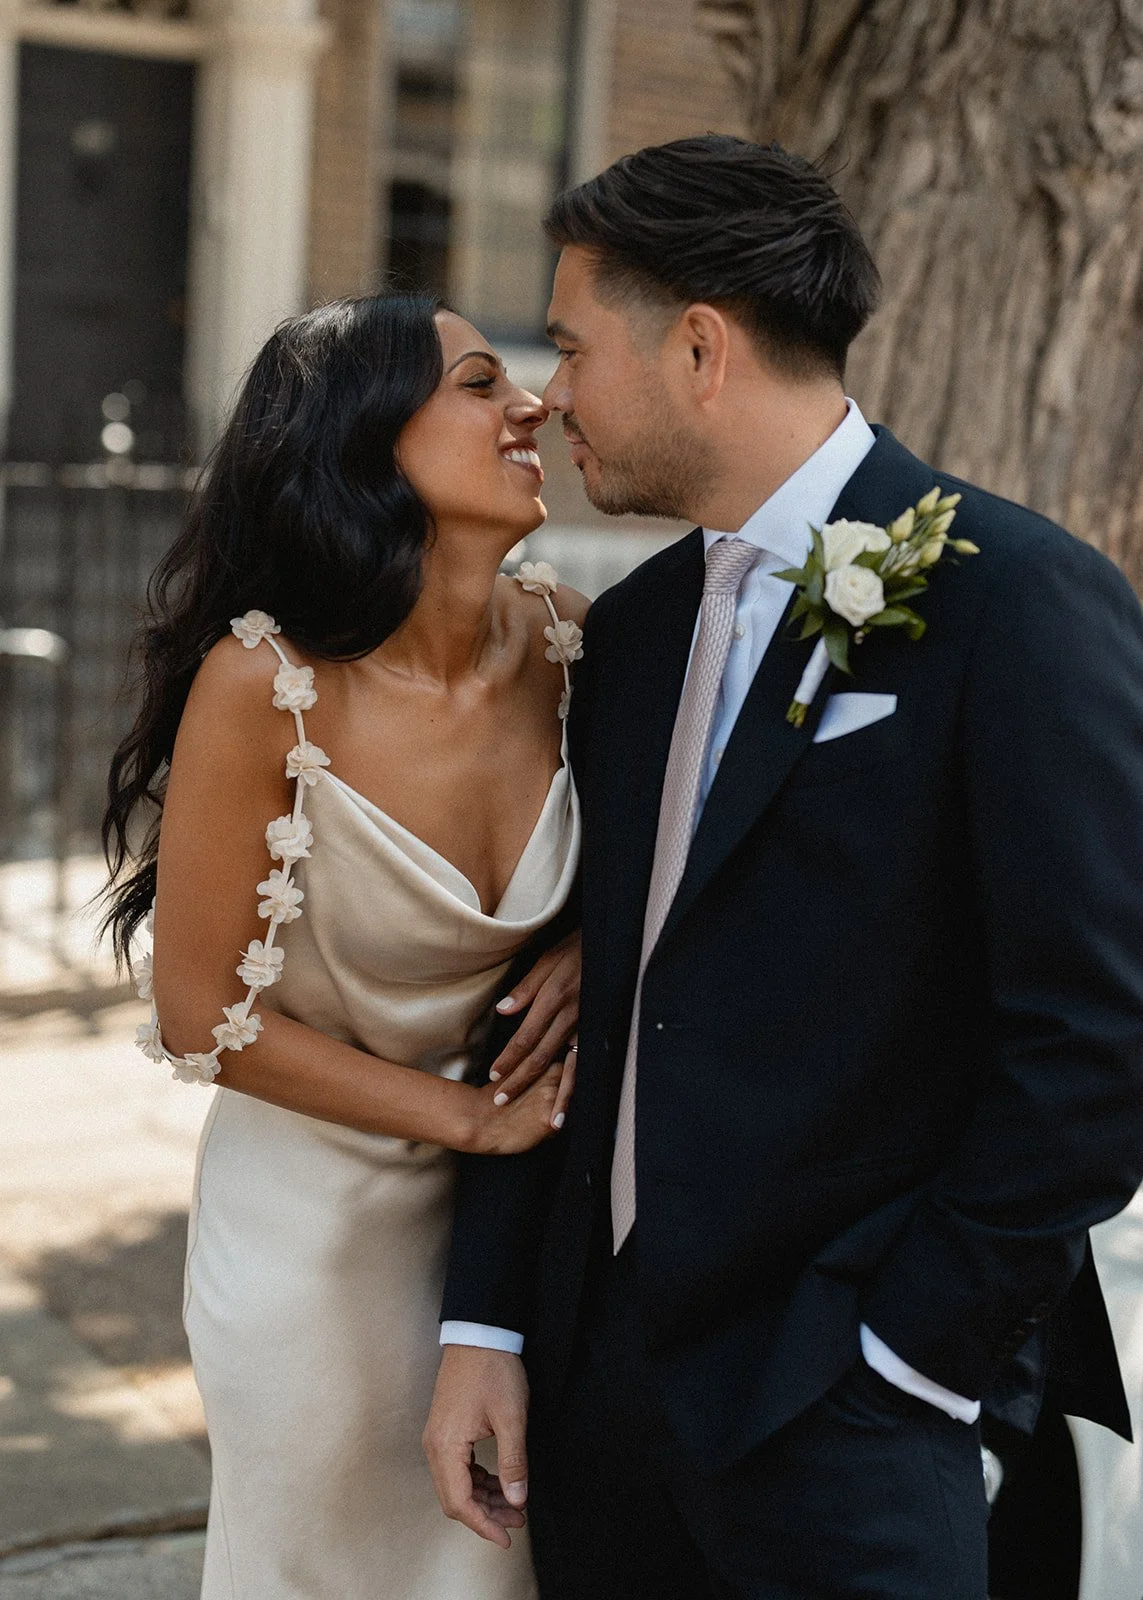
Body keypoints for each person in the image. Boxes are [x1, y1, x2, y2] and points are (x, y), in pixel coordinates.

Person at [424, 137, 1143, 1599]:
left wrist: (909, 1361)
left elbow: (1094, 1038)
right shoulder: (624, 641)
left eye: (567, 345)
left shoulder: (1018, 604)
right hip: (601, 1396)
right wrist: (490, 1328)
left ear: (697, 345)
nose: (548, 393)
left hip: (849, 1406)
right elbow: (567, 997)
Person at [102, 293, 587, 1600]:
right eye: (482, 384)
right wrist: (465, 1117)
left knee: (503, 1569)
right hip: (311, 1243)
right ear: (367, 442)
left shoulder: (568, 641)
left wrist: (592, 939)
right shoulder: (263, 685)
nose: (530, 404)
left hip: (514, 1227)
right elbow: (201, 1016)